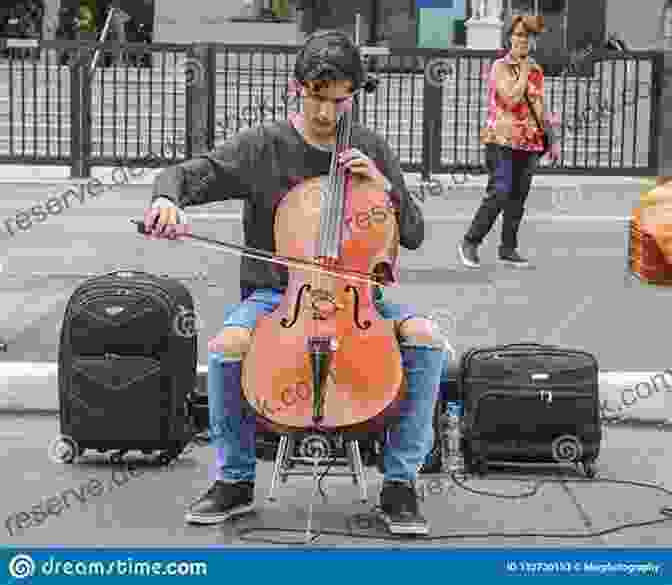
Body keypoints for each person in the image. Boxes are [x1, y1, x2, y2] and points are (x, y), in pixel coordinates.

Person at [143, 30, 448, 536]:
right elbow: (187, 175)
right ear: (296, 88)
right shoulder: (264, 145)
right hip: (277, 295)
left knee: (426, 341)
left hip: (359, 299)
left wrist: (385, 189)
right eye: (317, 98)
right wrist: (166, 200)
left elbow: (412, 234)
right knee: (226, 348)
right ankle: (236, 480)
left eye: (340, 100)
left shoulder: (369, 147)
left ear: (355, 94)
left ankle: (400, 483)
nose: (328, 114)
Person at [458, 14, 560, 270]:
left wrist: (553, 139)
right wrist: (524, 70)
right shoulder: (499, 67)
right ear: (509, 38)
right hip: (501, 141)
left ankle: (508, 248)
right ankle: (470, 242)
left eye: (527, 36)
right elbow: (510, 99)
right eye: (518, 35)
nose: (522, 40)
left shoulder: (537, 70)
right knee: (499, 192)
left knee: (518, 198)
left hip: (529, 143)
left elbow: (539, 106)